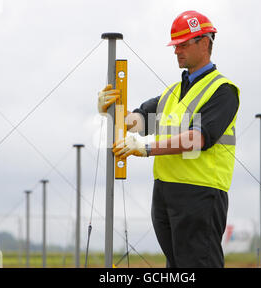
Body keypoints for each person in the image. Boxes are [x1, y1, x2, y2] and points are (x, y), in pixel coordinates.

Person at [98, 10, 240, 268]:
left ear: (205, 43)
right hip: (165, 192)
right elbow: (137, 122)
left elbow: (198, 138)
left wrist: (146, 148)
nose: (177, 51)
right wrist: (112, 110)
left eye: (184, 44)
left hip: (201, 193)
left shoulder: (223, 91)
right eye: (175, 45)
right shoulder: (171, 93)